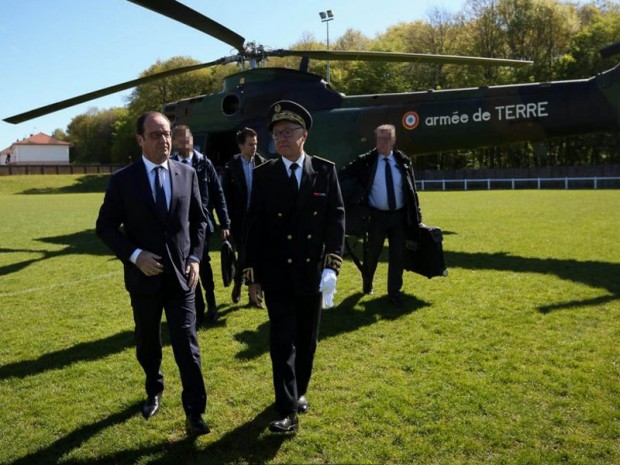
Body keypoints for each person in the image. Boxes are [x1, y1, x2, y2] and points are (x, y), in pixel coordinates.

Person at [95, 111, 210, 436]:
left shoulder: (187, 174)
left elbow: (200, 221)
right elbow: (104, 227)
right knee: (148, 341)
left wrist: (195, 258)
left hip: (182, 278)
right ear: (140, 140)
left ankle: (194, 412)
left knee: (187, 344)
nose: (164, 140)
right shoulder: (122, 180)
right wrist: (134, 255)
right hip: (143, 280)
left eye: (167, 134)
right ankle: (153, 388)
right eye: (156, 135)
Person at [243, 100, 345, 433]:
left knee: (306, 339)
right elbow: (254, 227)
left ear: (304, 136)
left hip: (311, 273)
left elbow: (335, 221)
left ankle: (299, 390)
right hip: (277, 273)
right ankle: (286, 408)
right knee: (281, 340)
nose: (281, 138)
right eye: (276, 133)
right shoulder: (264, 175)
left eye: (288, 132)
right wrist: (253, 277)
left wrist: (332, 265)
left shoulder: (325, 172)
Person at [339, 124, 423, 306]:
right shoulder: (366, 161)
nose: (383, 142)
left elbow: (412, 191)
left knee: (397, 256)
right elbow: (342, 176)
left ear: (393, 140)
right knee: (372, 255)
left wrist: (417, 216)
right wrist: (356, 197)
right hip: (376, 217)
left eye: (386, 138)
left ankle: (394, 293)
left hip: (399, 217)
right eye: (379, 139)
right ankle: (367, 282)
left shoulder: (403, 162)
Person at [170, 125, 231, 324]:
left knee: (203, 265)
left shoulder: (204, 163)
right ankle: (197, 308)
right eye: (177, 139)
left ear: (191, 138)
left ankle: (211, 304)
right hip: (180, 227)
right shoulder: (169, 165)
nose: (182, 142)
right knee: (186, 267)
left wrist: (225, 223)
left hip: (201, 225)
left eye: (185, 138)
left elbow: (218, 194)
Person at [222, 127, 266, 305]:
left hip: (258, 221)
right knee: (244, 256)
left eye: (255, 144)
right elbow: (224, 196)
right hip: (239, 221)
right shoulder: (231, 167)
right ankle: (239, 283)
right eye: (250, 144)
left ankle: (254, 296)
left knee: (257, 256)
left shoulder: (262, 163)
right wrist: (226, 222)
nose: (254, 147)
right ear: (241, 146)